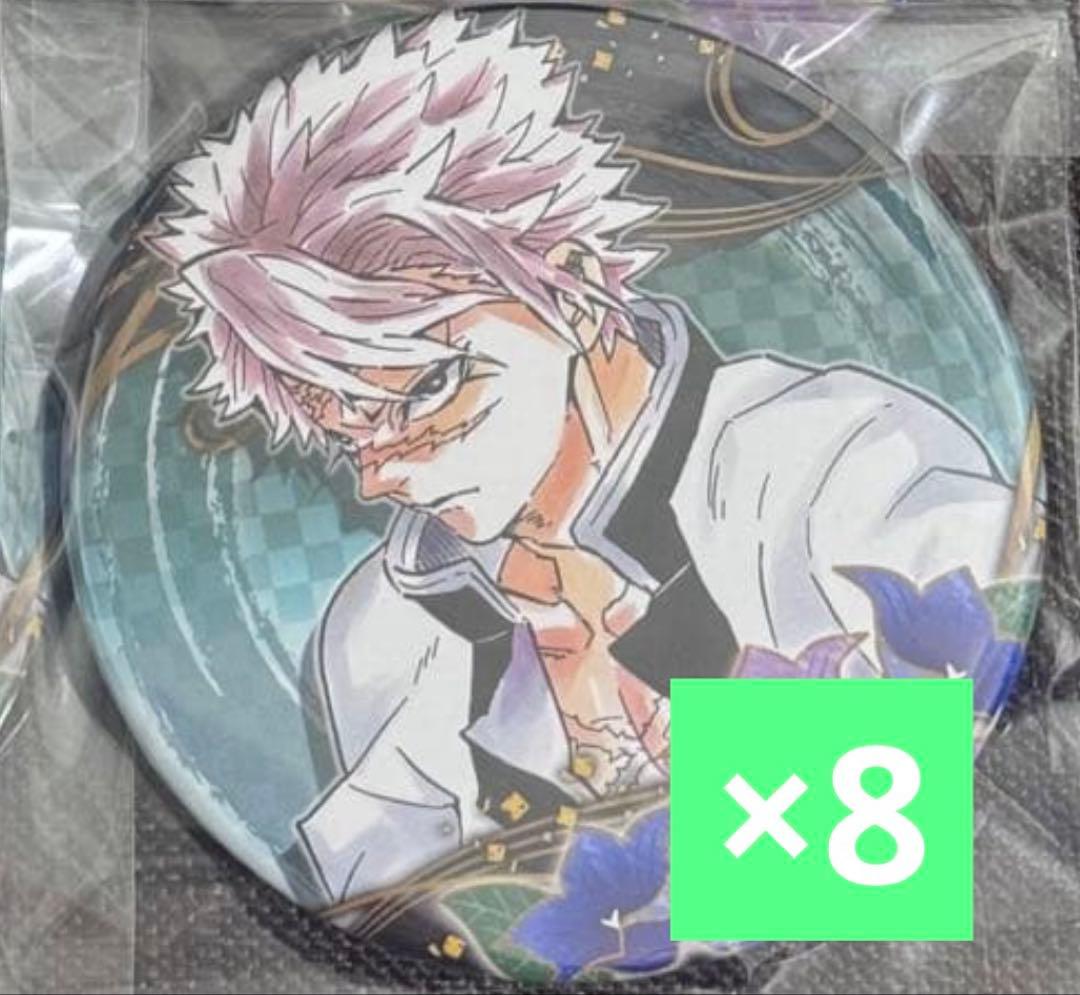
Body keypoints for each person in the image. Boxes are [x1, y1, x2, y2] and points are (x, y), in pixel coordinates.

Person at [151, 10, 1022, 904]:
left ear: (570, 286)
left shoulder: (849, 460)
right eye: (345, 430)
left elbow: (897, 823)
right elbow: (409, 910)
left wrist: (659, 649)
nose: (383, 474)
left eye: (425, 388)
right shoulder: (380, 627)